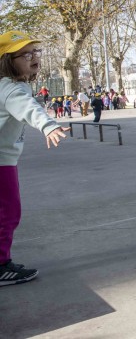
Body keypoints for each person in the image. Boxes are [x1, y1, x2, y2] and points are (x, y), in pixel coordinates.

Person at [0, 30, 69, 286]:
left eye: (35, 52)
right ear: (8, 60)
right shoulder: (11, 89)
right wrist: (48, 126)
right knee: (8, 212)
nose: (33, 57)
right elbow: (30, 109)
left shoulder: (9, 86)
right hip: (1, 161)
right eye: (25, 54)